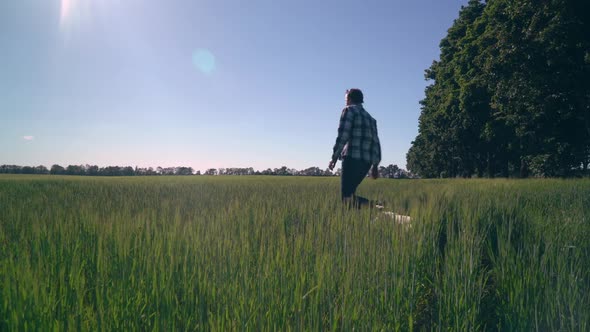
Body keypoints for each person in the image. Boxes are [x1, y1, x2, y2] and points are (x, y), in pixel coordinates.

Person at [329, 88, 381, 209]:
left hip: (352, 158)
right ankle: (373, 210)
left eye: (346, 99)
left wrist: (334, 158)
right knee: (350, 195)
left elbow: (343, 135)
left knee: (346, 197)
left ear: (350, 99)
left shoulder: (349, 110)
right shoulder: (371, 119)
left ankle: (376, 207)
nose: (345, 102)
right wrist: (375, 166)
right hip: (366, 163)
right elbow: (375, 142)